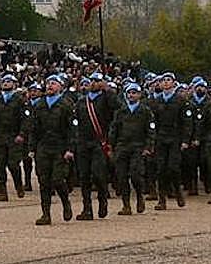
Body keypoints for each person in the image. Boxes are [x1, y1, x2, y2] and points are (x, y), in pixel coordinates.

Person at [29, 74, 75, 226]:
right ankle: (45, 214)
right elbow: (34, 128)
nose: (50, 86)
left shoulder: (66, 104)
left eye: (54, 83)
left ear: (60, 87)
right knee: (44, 181)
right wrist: (32, 148)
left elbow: (71, 130)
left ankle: (65, 202)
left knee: (57, 179)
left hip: (59, 148)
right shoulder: (40, 105)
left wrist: (70, 149)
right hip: (43, 147)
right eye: (48, 83)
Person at [71, 72, 114, 220]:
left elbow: (118, 108)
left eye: (97, 81)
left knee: (98, 175)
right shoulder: (82, 101)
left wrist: (108, 90)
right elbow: (75, 121)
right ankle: (87, 208)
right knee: (84, 177)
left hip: (99, 142)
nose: (94, 83)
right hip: (83, 142)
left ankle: (103, 201)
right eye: (92, 80)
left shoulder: (106, 98)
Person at [109, 82, 155, 215]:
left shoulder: (145, 111)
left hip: (138, 147)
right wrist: (112, 146)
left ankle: (140, 196)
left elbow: (150, 131)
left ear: (139, 95)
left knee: (136, 175)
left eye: (134, 93)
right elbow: (114, 130)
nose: (131, 95)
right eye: (129, 93)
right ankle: (126, 205)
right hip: (122, 147)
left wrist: (148, 146)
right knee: (121, 177)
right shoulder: (120, 112)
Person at [149, 73, 191, 210]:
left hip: (175, 138)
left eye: (168, 80)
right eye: (163, 81)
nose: (166, 83)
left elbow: (186, 122)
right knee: (161, 169)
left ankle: (178, 191)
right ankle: (162, 199)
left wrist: (185, 140)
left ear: (174, 83)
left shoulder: (180, 100)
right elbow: (152, 122)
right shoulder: (156, 101)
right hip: (161, 138)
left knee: (173, 168)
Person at [0, 74, 27, 202]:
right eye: (4, 81)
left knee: (13, 164)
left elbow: (25, 119)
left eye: (9, 81)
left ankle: (19, 186)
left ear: (14, 84)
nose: (6, 83)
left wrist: (22, 134)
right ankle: (2, 191)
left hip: (14, 136)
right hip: (0, 135)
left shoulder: (19, 99)